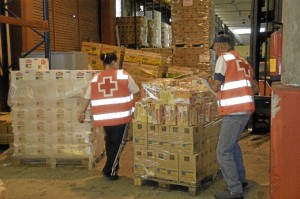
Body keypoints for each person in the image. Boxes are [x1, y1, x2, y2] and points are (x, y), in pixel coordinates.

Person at [200, 34, 258, 199]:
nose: (215, 53)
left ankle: (235, 190)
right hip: (246, 110)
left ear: (220, 46)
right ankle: (240, 180)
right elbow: (254, 89)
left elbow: (216, 87)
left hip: (234, 111)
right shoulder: (244, 61)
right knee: (232, 146)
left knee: (223, 151)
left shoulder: (224, 59)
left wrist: (206, 79)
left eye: (215, 49)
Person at [78, 52, 139, 181]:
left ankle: (113, 167)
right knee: (118, 144)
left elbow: (87, 97)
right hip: (121, 117)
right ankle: (109, 170)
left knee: (110, 142)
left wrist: (81, 112)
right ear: (113, 62)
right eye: (117, 62)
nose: (118, 64)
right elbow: (136, 92)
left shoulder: (96, 78)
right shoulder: (123, 75)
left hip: (105, 118)